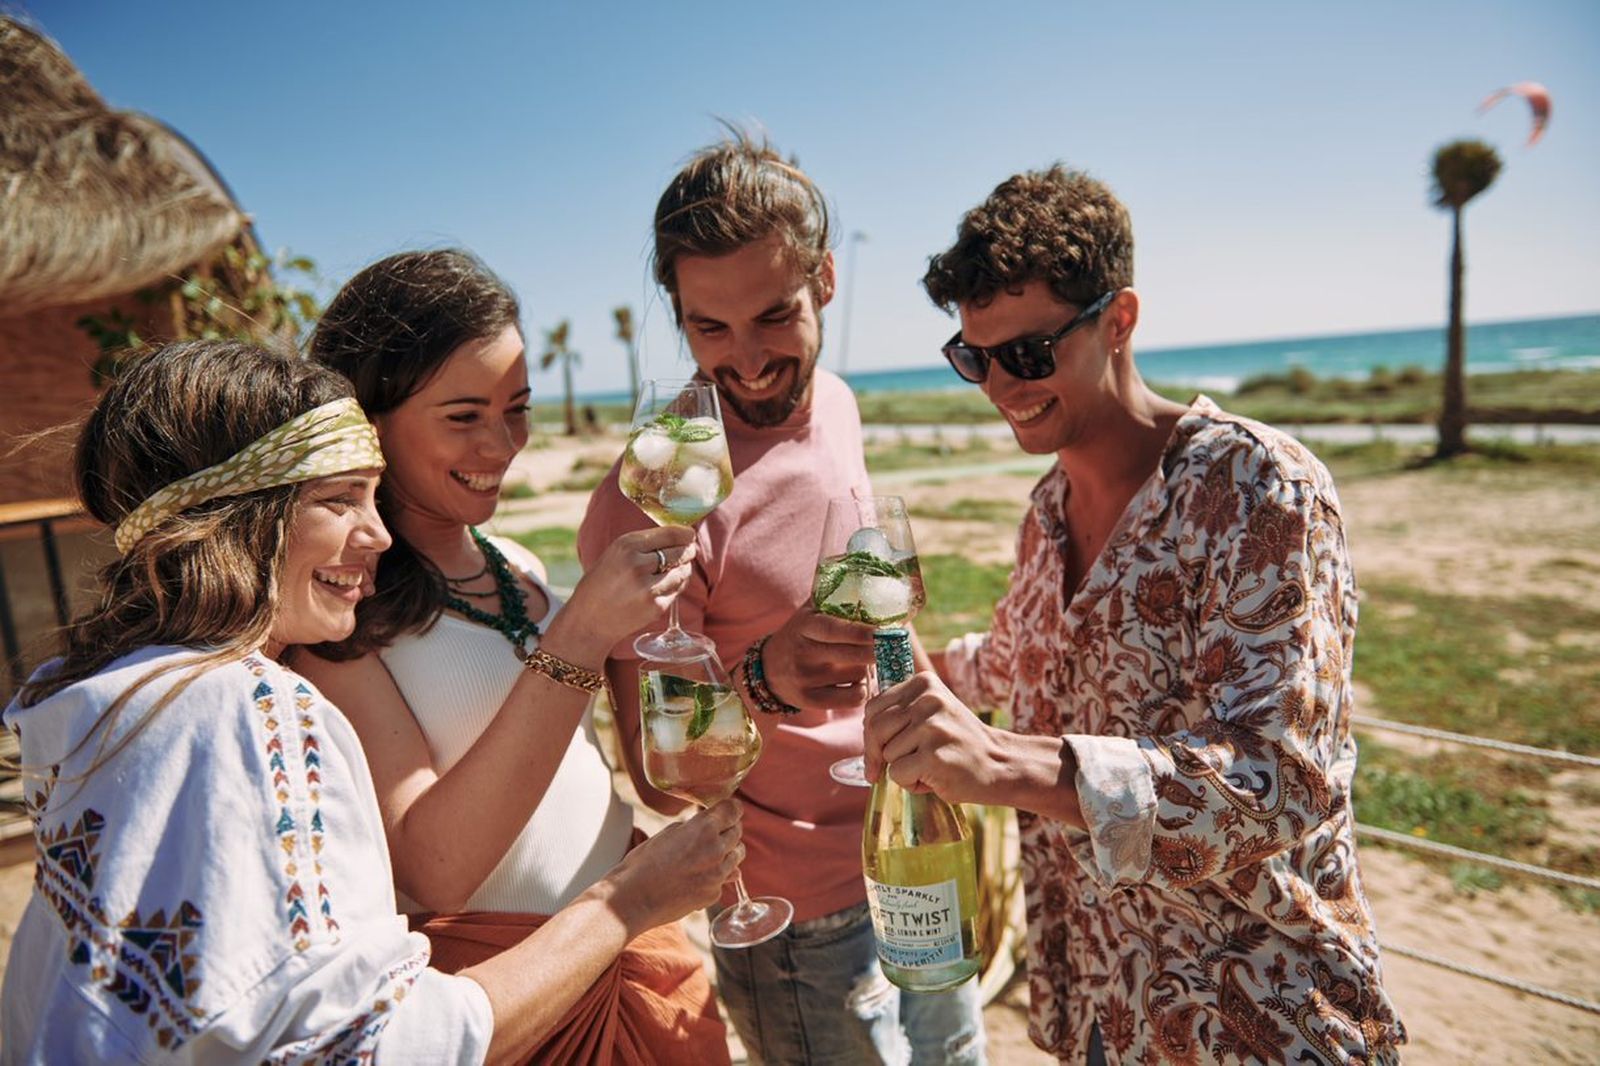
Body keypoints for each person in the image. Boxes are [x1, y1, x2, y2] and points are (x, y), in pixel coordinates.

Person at [0, 341, 741, 1065]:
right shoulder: (250, 714)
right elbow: (378, 1045)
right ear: (237, 517)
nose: (379, 534)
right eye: (337, 499)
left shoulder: (113, 703)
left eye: (371, 496)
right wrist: (624, 905)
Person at [862, 166, 1407, 1064]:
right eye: (974, 358)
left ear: (1118, 320)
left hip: (1259, 1015)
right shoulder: (1043, 511)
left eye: (1029, 354)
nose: (1001, 386)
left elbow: (1276, 781)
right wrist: (882, 645)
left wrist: (1005, 763)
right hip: (1100, 1014)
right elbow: (1008, 664)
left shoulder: (1256, 487)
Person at [578, 130, 987, 1065]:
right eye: (708, 328)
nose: (748, 362)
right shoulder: (653, 489)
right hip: (798, 912)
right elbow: (651, 766)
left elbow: (872, 602)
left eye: (775, 317)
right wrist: (764, 674)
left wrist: (945, 725)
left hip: (913, 836)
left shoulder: (837, 401)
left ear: (826, 284)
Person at [294, 249, 731, 1064]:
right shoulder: (337, 619)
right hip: (513, 1002)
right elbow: (437, 871)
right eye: (463, 416)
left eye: (518, 407)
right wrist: (579, 638)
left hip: (634, 967)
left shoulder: (519, 563)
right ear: (370, 417)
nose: (503, 443)